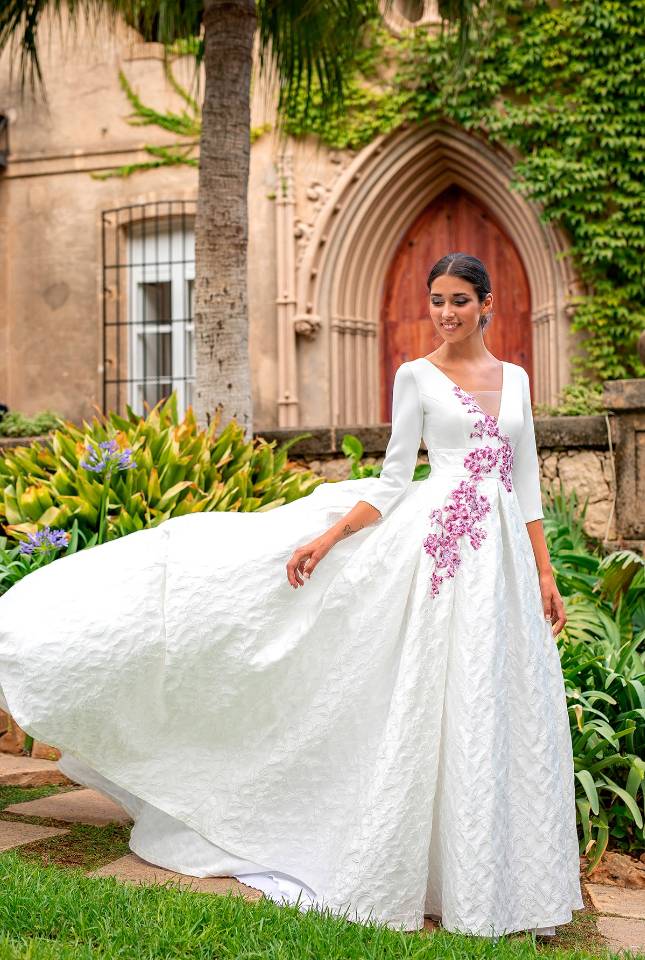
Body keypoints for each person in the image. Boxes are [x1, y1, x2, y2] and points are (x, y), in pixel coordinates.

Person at [0, 252, 584, 938]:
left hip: (505, 562)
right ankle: (436, 874)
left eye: (460, 300)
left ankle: (503, 884)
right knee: (436, 697)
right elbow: (394, 478)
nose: (447, 312)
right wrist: (329, 537)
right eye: (437, 300)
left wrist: (544, 574)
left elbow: (526, 484)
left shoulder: (515, 380)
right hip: (439, 556)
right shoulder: (415, 377)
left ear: (488, 305)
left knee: (497, 700)